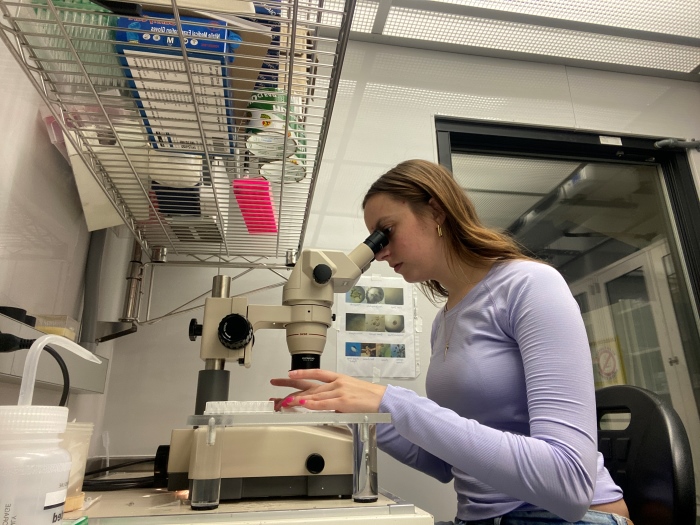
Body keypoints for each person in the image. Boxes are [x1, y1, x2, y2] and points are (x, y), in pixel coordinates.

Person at [271, 159, 631, 525]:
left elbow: (568, 481)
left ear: (436, 211)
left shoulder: (529, 285)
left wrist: (392, 401)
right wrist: (354, 413)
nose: (378, 252)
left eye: (386, 231)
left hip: (562, 516)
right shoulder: (444, 321)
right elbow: (443, 462)